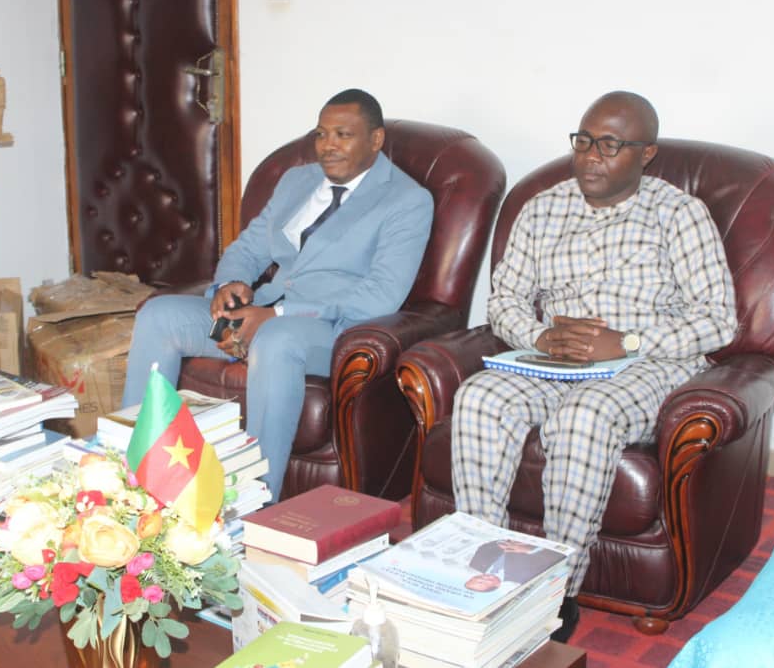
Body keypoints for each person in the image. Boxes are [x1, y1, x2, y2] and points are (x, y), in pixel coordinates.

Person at [452, 91, 737, 642]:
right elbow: (504, 300)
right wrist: (540, 335)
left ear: (646, 154)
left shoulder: (679, 214)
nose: (590, 156)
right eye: (583, 141)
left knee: (584, 416)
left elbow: (718, 321)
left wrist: (625, 342)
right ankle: (482, 576)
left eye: (609, 145)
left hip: (646, 363)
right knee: (479, 397)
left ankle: (557, 591)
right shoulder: (543, 208)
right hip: (551, 359)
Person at [123, 89, 434, 501]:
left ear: (375, 140)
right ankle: (136, 475)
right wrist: (231, 285)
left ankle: (255, 498)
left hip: (330, 329)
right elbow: (248, 249)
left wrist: (281, 314)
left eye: (343, 135)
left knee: (275, 337)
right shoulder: (296, 181)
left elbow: (382, 295)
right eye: (321, 134)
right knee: (159, 315)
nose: (328, 146)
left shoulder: (408, 201)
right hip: (262, 313)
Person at [466, 538, 564, 586]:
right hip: (540, 540)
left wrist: (499, 543)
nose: (482, 578)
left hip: (507, 532)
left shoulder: (475, 565)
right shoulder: (521, 578)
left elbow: (484, 548)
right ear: (496, 586)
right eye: (483, 583)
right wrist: (530, 549)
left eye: (474, 579)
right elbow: (557, 558)